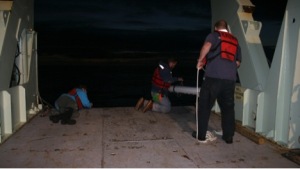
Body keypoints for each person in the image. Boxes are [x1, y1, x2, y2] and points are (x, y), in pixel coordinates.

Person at [193, 20, 242, 144]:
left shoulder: (214, 35)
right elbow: (237, 62)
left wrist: (200, 60)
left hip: (213, 78)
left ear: (216, 28)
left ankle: (201, 136)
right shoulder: (235, 40)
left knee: (205, 106)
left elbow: (207, 46)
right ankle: (228, 137)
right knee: (228, 109)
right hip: (230, 80)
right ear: (227, 28)